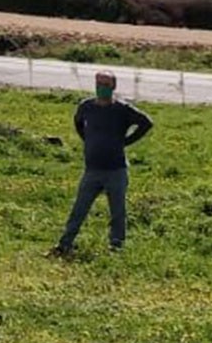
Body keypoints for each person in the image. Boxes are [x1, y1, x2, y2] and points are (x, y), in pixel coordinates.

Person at [48, 71, 154, 257]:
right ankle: (64, 245)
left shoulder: (122, 109)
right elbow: (78, 122)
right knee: (79, 209)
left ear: (113, 87)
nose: (101, 88)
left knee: (117, 212)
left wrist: (126, 141)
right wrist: (87, 139)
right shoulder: (87, 106)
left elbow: (146, 122)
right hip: (92, 170)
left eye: (105, 84)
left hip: (116, 170)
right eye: (98, 84)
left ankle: (116, 248)